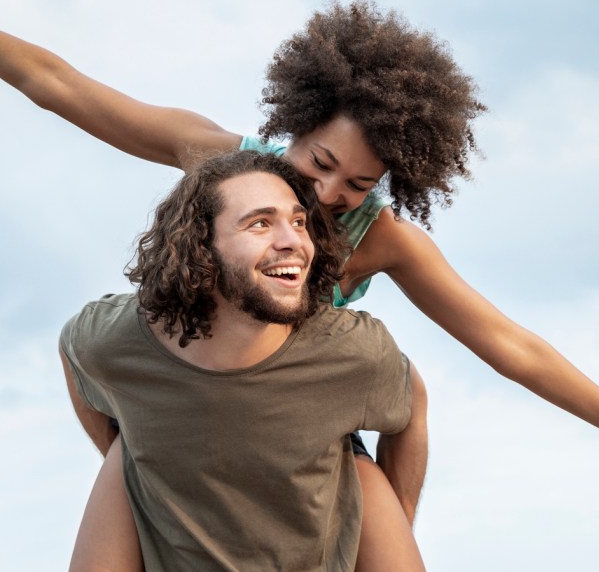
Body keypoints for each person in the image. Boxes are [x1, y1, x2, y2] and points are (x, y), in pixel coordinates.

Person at [0, 0, 599, 559]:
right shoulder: (217, 158)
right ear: (294, 125)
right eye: (318, 164)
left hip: (309, 429)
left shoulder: (381, 241)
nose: (323, 199)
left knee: (401, 405)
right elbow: (60, 88)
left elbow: (511, 346)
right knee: (132, 428)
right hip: (184, 388)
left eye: (355, 186)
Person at [59, 149, 418, 571]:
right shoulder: (117, 339)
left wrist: (396, 518)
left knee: (362, 473)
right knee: (126, 454)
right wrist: (139, 455)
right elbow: (74, 351)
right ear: (201, 246)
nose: (293, 241)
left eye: (299, 222)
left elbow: (413, 406)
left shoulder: (351, 353)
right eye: (260, 223)